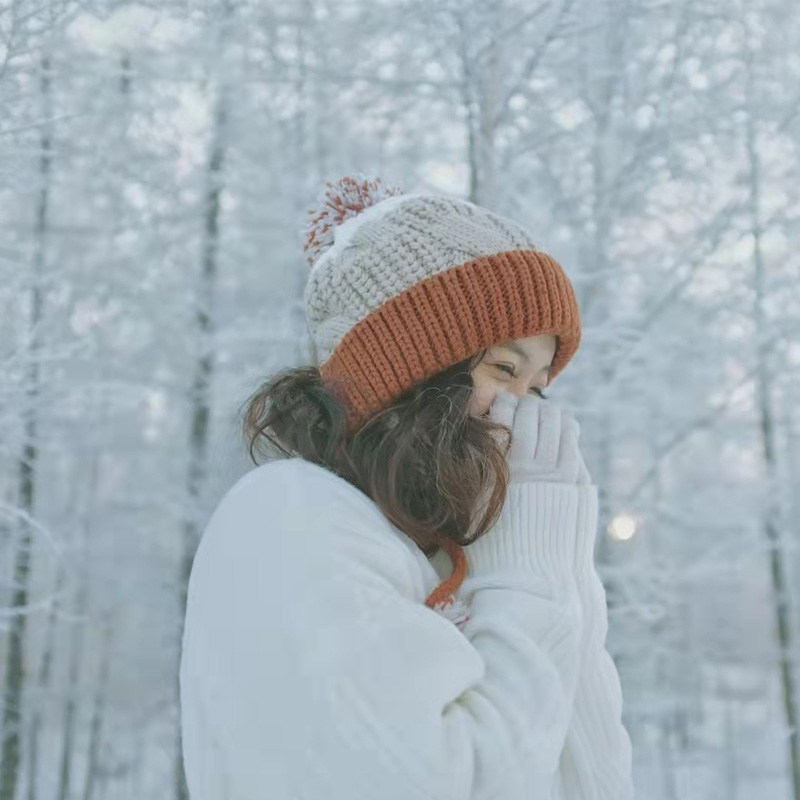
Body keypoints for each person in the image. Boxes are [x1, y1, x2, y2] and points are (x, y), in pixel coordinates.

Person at [178, 175, 635, 799]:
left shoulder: (453, 555)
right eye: (503, 368)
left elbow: (592, 782)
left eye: (536, 388)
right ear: (412, 366)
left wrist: (567, 576)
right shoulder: (291, 519)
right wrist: (533, 582)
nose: (519, 417)